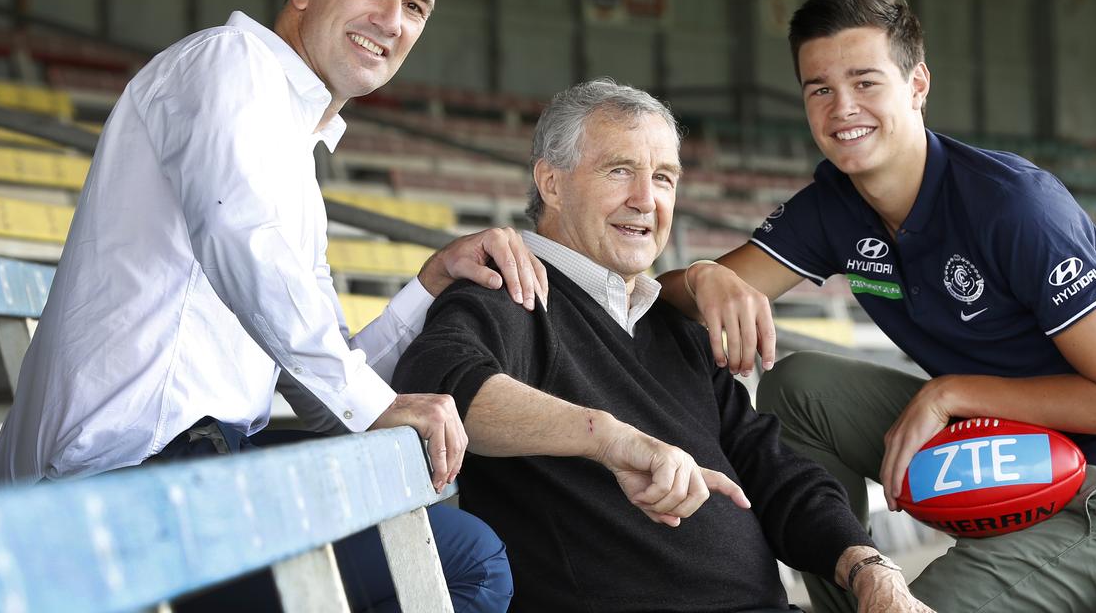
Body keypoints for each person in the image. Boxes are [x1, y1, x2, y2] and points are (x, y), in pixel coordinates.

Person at [0, 0, 539, 611]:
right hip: (117, 482)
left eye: (416, 6)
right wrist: (373, 406)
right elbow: (241, 242)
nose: (393, 20)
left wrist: (430, 283)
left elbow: (319, 387)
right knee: (468, 563)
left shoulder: (290, 156)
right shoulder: (226, 64)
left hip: (201, 473)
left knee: (463, 549)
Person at [657, 0, 1096, 612]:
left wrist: (947, 393)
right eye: (820, 90)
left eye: (865, 82)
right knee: (799, 388)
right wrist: (702, 274)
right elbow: (670, 303)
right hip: (999, 450)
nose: (842, 109)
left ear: (918, 86)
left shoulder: (1015, 205)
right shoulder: (833, 207)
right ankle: (853, 595)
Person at [394, 78, 933, 613]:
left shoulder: (672, 327)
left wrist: (868, 568)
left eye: (663, 178)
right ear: (552, 184)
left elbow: (774, 471)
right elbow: (439, 389)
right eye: (620, 170)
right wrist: (607, 438)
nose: (645, 200)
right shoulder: (505, 293)